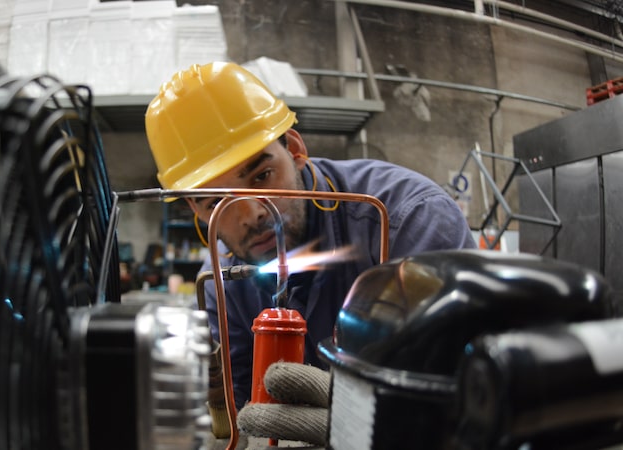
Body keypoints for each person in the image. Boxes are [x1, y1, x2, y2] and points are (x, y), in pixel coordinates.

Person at [144, 62, 476, 415]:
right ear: (197, 211)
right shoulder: (220, 281)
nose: (252, 213)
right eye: (218, 202)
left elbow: (460, 390)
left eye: (261, 175)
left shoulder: (408, 219)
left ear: (296, 150)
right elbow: (238, 408)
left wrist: (350, 419)